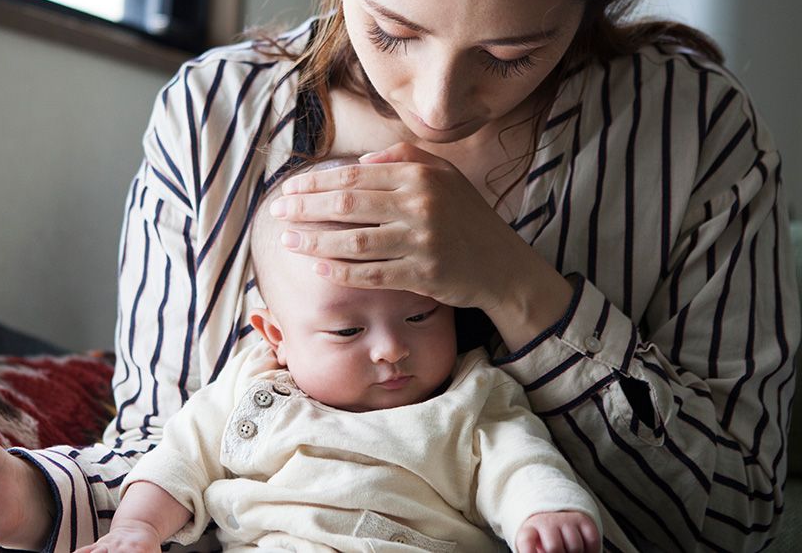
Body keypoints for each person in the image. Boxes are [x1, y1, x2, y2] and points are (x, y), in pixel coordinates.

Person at [0, 0, 799, 551]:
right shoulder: (213, 122)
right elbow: (168, 456)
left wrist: (513, 286)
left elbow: (737, 519)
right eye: (394, 30)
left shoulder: (695, 136)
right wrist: (20, 501)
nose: (436, 102)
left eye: (512, 56)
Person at [74, 157, 608, 553]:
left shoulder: (472, 397)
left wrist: (546, 511)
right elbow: (177, 459)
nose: (392, 348)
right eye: (347, 329)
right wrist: (136, 529)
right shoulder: (251, 387)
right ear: (275, 336)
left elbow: (520, 462)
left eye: (420, 316)